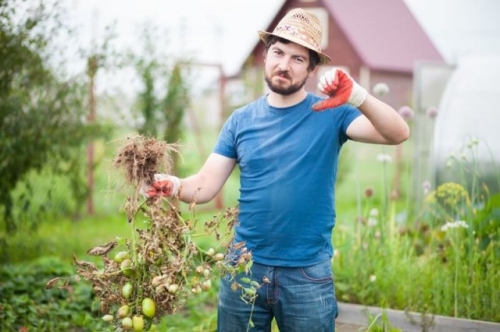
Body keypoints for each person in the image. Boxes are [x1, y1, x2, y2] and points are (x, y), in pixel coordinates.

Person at [146, 7, 409, 332]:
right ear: (266, 55)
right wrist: (173, 185)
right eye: (278, 52)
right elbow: (204, 185)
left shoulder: (331, 113)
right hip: (244, 268)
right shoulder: (241, 121)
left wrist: (358, 96)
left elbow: (397, 133)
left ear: (311, 67)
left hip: (306, 274)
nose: (284, 64)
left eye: (298, 58)